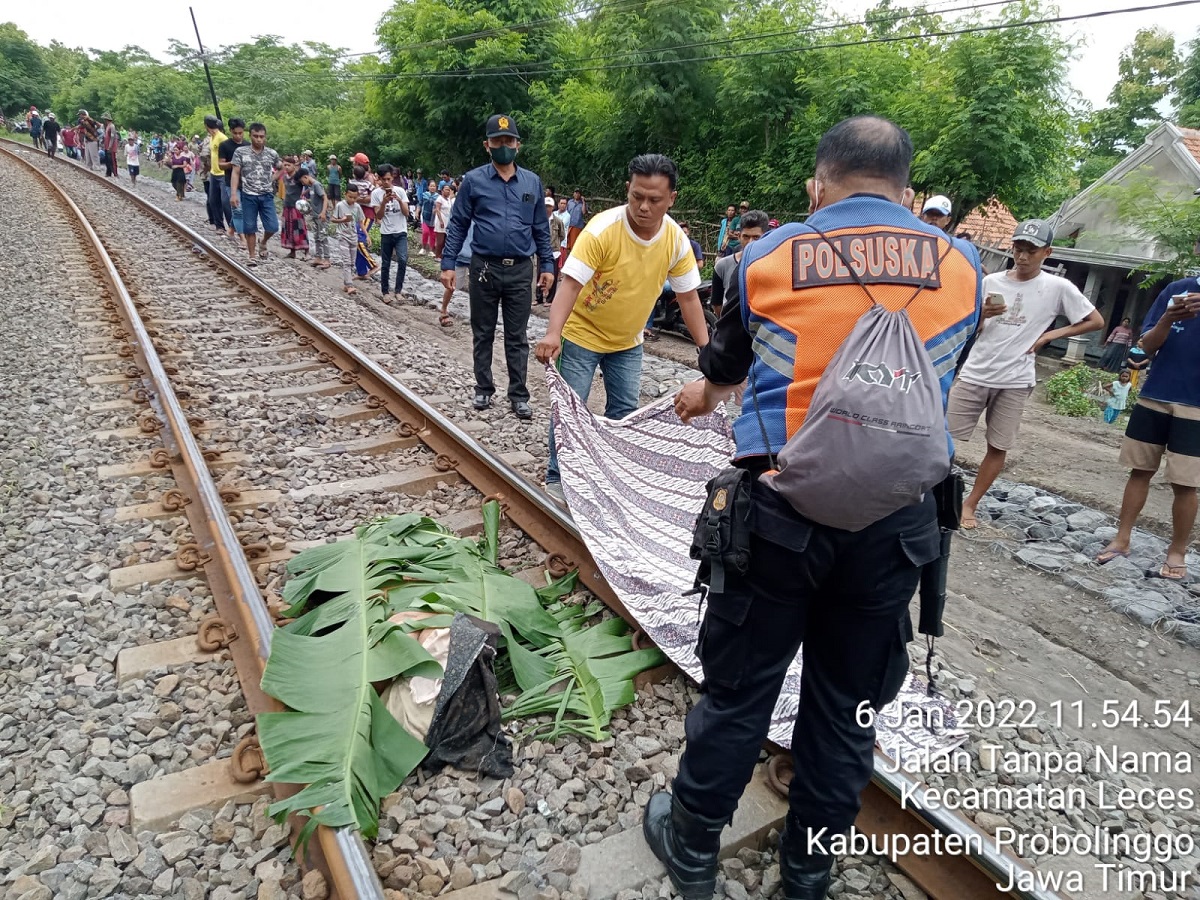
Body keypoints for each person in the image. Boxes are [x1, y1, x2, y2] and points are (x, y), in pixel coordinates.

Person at [646, 115, 982, 900]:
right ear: (908, 193)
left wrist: (710, 391)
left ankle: (692, 846)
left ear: (817, 185)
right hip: (896, 524)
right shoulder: (963, 265)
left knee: (741, 690)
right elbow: (938, 376)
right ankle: (808, 869)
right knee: (848, 706)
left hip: (777, 512)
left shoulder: (764, 257)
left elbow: (724, 363)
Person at [535, 153, 708, 501]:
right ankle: (558, 475)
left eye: (654, 200)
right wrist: (553, 332)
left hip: (628, 341)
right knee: (572, 407)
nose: (644, 206)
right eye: (636, 196)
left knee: (625, 412)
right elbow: (569, 285)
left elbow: (689, 298)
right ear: (627, 189)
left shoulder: (676, 241)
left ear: (671, 199)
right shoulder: (603, 230)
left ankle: (612, 473)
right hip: (582, 333)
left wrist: (707, 350)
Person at [947, 219, 1103, 527]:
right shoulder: (990, 283)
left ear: (1047, 252)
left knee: (999, 445)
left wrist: (1049, 336)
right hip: (975, 372)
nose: (1023, 257)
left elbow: (1095, 320)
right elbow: (967, 328)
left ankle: (970, 504)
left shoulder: (1057, 287)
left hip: (1015, 380)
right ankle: (934, 495)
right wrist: (982, 315)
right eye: (1018, 249)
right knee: (943, 437)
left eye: (1031, 251)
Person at [440, 113, 555, 418]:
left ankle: (519, 394)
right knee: (483, 332)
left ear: (518, 145)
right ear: (487, 145)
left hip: (520, 269)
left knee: (518, 336)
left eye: (509, 141)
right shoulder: (474, 181)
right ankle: (483, 388)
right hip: (484, 269)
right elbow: (458, 224)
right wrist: (448, 263)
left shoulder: (531, 182)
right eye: (497, 141)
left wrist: (547, 265)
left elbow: (540, 228)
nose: (503, 146)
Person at [1096, 282, 1200, 580]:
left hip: (1196, 407)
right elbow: (1146, 346)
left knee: (1186, 483)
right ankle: (1122, 539)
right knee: (1139, 470)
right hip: (1154, 396)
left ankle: (1177, 551)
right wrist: (1169, 317)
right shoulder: (1177, 290)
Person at [230, 123, 282, 267]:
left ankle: (263, 241)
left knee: (273, 226)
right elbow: (235, 173)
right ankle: (252, 256)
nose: (259, 139)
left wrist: (272, 178)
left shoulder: (271, 153)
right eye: (256, 136)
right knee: (250, 227)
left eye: (261, 136)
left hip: (266, 195)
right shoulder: (241, 152)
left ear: (265, 137)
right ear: (250, 136)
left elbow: (280, 167)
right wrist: (233, 194)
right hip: (248, 195)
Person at [710, 210, 767, 318]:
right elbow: (717, 303)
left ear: (765, 237)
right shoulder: (723, 266)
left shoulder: (773, 265)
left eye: (756, 237)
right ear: (739, 236)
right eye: (746, 237)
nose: (750, 242)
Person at [372, 163, 411, 300]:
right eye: (384, 179)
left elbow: (406, 213)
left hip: (401, 232)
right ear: (379, 179)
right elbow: (379, 216)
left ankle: (398, 290)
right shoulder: (376, 193)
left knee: (402, 260)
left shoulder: (400, 191)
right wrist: (383, 202)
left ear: (392, 178)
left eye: (389, 179)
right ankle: (385, 292)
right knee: (386, 263)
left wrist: (399, 200)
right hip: (386, 232)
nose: (387, 182)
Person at [218, 120, 247, 245]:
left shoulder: (248, 145)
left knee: (244, 210)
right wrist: (232, 163)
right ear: (231, 131)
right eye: (235, 133)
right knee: (238, 210)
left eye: (241, 133)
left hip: (246, 183)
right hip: (230, 182)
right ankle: (243, 238)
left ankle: (231, 230)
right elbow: (220, 165)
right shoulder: (224, 145)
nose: (238, 136)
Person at [331, 188, 364, 295]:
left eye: (355, 198)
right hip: (343, 235)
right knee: (346, 261)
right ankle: (350, 285)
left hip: (353, 236)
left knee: (352, 262)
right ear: (345, 195)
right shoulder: (340, 205)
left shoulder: (357, 207)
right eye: (350, 197)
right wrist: (343, 220)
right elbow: (333, 219)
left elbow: (361, 221)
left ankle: (346, 283)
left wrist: (366, 235)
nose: (352, 200)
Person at [278, 156, 310, 261]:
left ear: (294, 166)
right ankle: (292, 252)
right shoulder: (284, 177)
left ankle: (307, 252)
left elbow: (310, 184)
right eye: (285, 165)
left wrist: (303, 195)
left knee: (300, 228)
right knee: (288, 228)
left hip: (297, 207)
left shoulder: (298, 177)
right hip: (287, 205)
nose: (286, 167)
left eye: (289, 165)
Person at [298, 169, 331, 270]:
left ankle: (327, 259)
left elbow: (325, 198)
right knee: (317, 237)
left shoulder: (316, 185)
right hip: (315, 215)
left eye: (302, 181)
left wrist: (323, 212)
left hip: (321, 216)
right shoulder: (311, 186)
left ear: (306, 177)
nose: (303, 183)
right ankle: (318, 257)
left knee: (323, 237)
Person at [541, 196, 567, 306]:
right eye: (545, 206)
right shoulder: (540, 220)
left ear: (553, 207)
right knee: (540, 274)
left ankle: (550, 299)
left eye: (549, 206)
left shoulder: (558, 221)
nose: (547, 208)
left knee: (554, 275)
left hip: (554, 251)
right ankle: (538, 298)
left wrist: (555, 244)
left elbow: (562, 235)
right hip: (542, 250)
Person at [433, 183, 455, 260]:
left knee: (445, 240)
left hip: (447, 221)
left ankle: (442, 255)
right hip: (440, 221)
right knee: (440, 240)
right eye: (446, 190)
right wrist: (441, 221)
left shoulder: (449, 200)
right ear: (442, 191)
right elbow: (437, 210)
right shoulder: (439, 199)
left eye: (449, 190)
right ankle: (437, 256)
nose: (448, 191)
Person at [565, 188, 587, 255]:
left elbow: (584, 212)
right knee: (566, 243)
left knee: (574, 244)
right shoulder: (569, 202)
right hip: (568, 224)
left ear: (580, 195)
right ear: (573, 194)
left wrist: (583, 202)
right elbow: (566, 211)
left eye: (578, 193)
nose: (577, 194)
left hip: (577, 226)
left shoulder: (582, 204)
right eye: (575, 192)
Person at [419, 183, 438, 256]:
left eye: (434, 186)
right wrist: (417, 211)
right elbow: (420, 204)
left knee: (433, 234)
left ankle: (431, 251)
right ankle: (423, 248)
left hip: (434, 217)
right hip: (425, 216)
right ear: (428, 187)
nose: (432, 187)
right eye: (431, 186)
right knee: (425, 232)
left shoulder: (438, 197)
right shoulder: (424, 195)